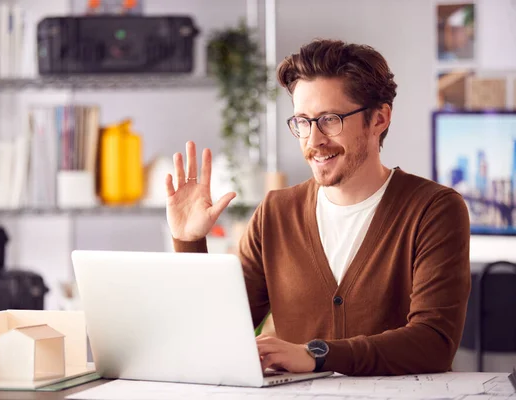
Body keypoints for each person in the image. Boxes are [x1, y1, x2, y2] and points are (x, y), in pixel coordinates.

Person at [165, 39, 471, 376]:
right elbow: (217, 336)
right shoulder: (275, 213)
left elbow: (434, 344)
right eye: (303, 121)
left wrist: (317, 355)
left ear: (379, 119)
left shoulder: (434, 209)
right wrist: (189, 241)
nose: (313, 141)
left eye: (329, 119)